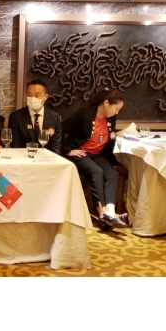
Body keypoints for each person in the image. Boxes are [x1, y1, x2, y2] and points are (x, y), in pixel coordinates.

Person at [61, 87, 128, 229]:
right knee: (97, 172)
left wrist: (113, 162)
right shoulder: (85, 114)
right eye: (116, 108)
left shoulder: (111, 118)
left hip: (98, 154)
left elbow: (108, 143)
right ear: (106, 103)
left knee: (112, 173)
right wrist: (68, 150)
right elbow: (60, 128)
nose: (117, 112)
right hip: (81, 153)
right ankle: (102, 214)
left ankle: (110, 211)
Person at [8, 78, 62, 154]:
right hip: (24, 158)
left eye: (37, 95)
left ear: (46, 97)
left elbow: (56, 146)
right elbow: (15, 146)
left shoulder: (54, 117)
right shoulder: (16, 117)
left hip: (47, 159)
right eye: (29, 95)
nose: (32, 98)